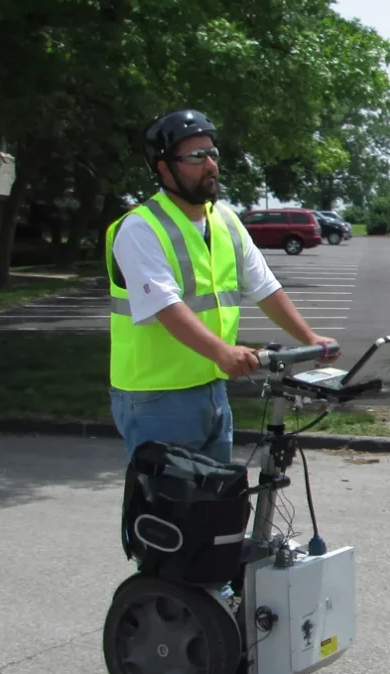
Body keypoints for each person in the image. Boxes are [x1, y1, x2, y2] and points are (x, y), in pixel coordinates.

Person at [106, 108, 341, 464]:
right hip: (155, 395)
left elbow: (265, 288)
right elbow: (165, 306)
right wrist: (221, 351)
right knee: (163, 512)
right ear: (164, 168)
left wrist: (310, 338)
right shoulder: (140, 228)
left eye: (213, 153)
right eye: (196, 156)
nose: (210, 164)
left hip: (212, 387)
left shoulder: (226, 221)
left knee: (212, 510)